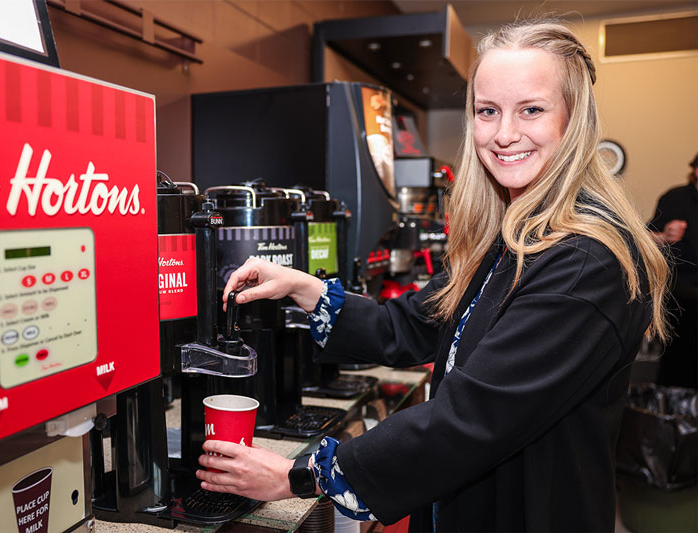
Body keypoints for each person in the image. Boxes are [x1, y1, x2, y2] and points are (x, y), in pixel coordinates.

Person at [195, 19, 670, 532]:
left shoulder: (586, 261)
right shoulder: (513, 236)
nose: (505, 134)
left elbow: (472, 419)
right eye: (488, 112)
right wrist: (303, 286)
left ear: (571, 121)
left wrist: (301, 475)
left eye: (531, 110)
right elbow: (412, 324)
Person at [649, 154, 698, 388]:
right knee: (677, 367)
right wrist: (665, 236)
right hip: (680, 297)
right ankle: (672, 420)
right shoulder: (675, 198)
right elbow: (644, 239)